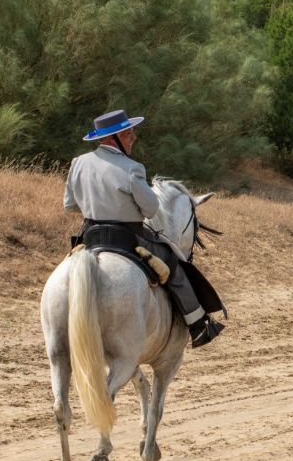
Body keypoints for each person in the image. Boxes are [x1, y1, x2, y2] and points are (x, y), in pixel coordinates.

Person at [64, 109, 224, 347]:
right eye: (129, 133)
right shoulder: (132, 168)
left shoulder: (78, 163)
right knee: (174, 264)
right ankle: (198, 324)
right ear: (112, 138)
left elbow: (70, 205)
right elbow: (150, 210)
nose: (134, 137)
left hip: (90, 236)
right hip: (128, 237)